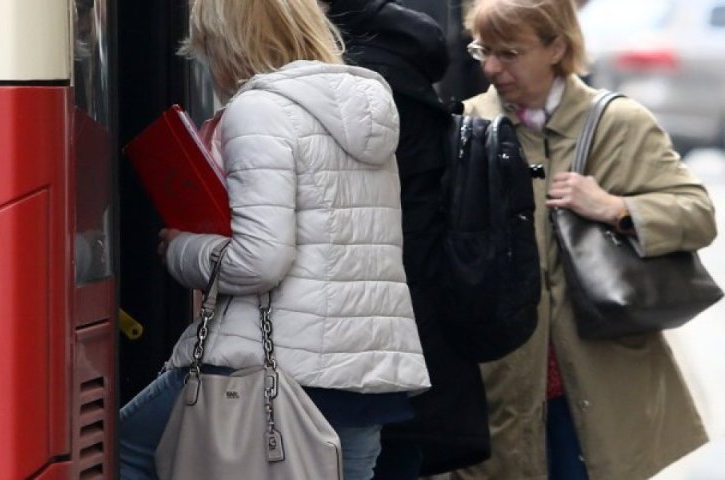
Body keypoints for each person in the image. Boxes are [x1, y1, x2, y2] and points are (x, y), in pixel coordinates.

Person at [117, 1, 430, 479]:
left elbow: (260, 259)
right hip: (365, 376)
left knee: (126, 450)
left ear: (227, 41)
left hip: (272, 368)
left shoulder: (258, 110)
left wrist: (181, 248)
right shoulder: (367, 111)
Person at [456, 0, 717, 479]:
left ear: (557, 46)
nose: (492, 68)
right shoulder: (469, 126)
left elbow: (697, 215)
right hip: (502, 385)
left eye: (509, 53)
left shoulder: (620, 123)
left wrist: (617, 209)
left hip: (599, 381)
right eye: (482, 51)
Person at [323, 0, 492, 477]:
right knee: (397, 455)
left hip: (358, 326)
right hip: (420, 321)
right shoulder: (408, 74)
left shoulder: (346, 84)